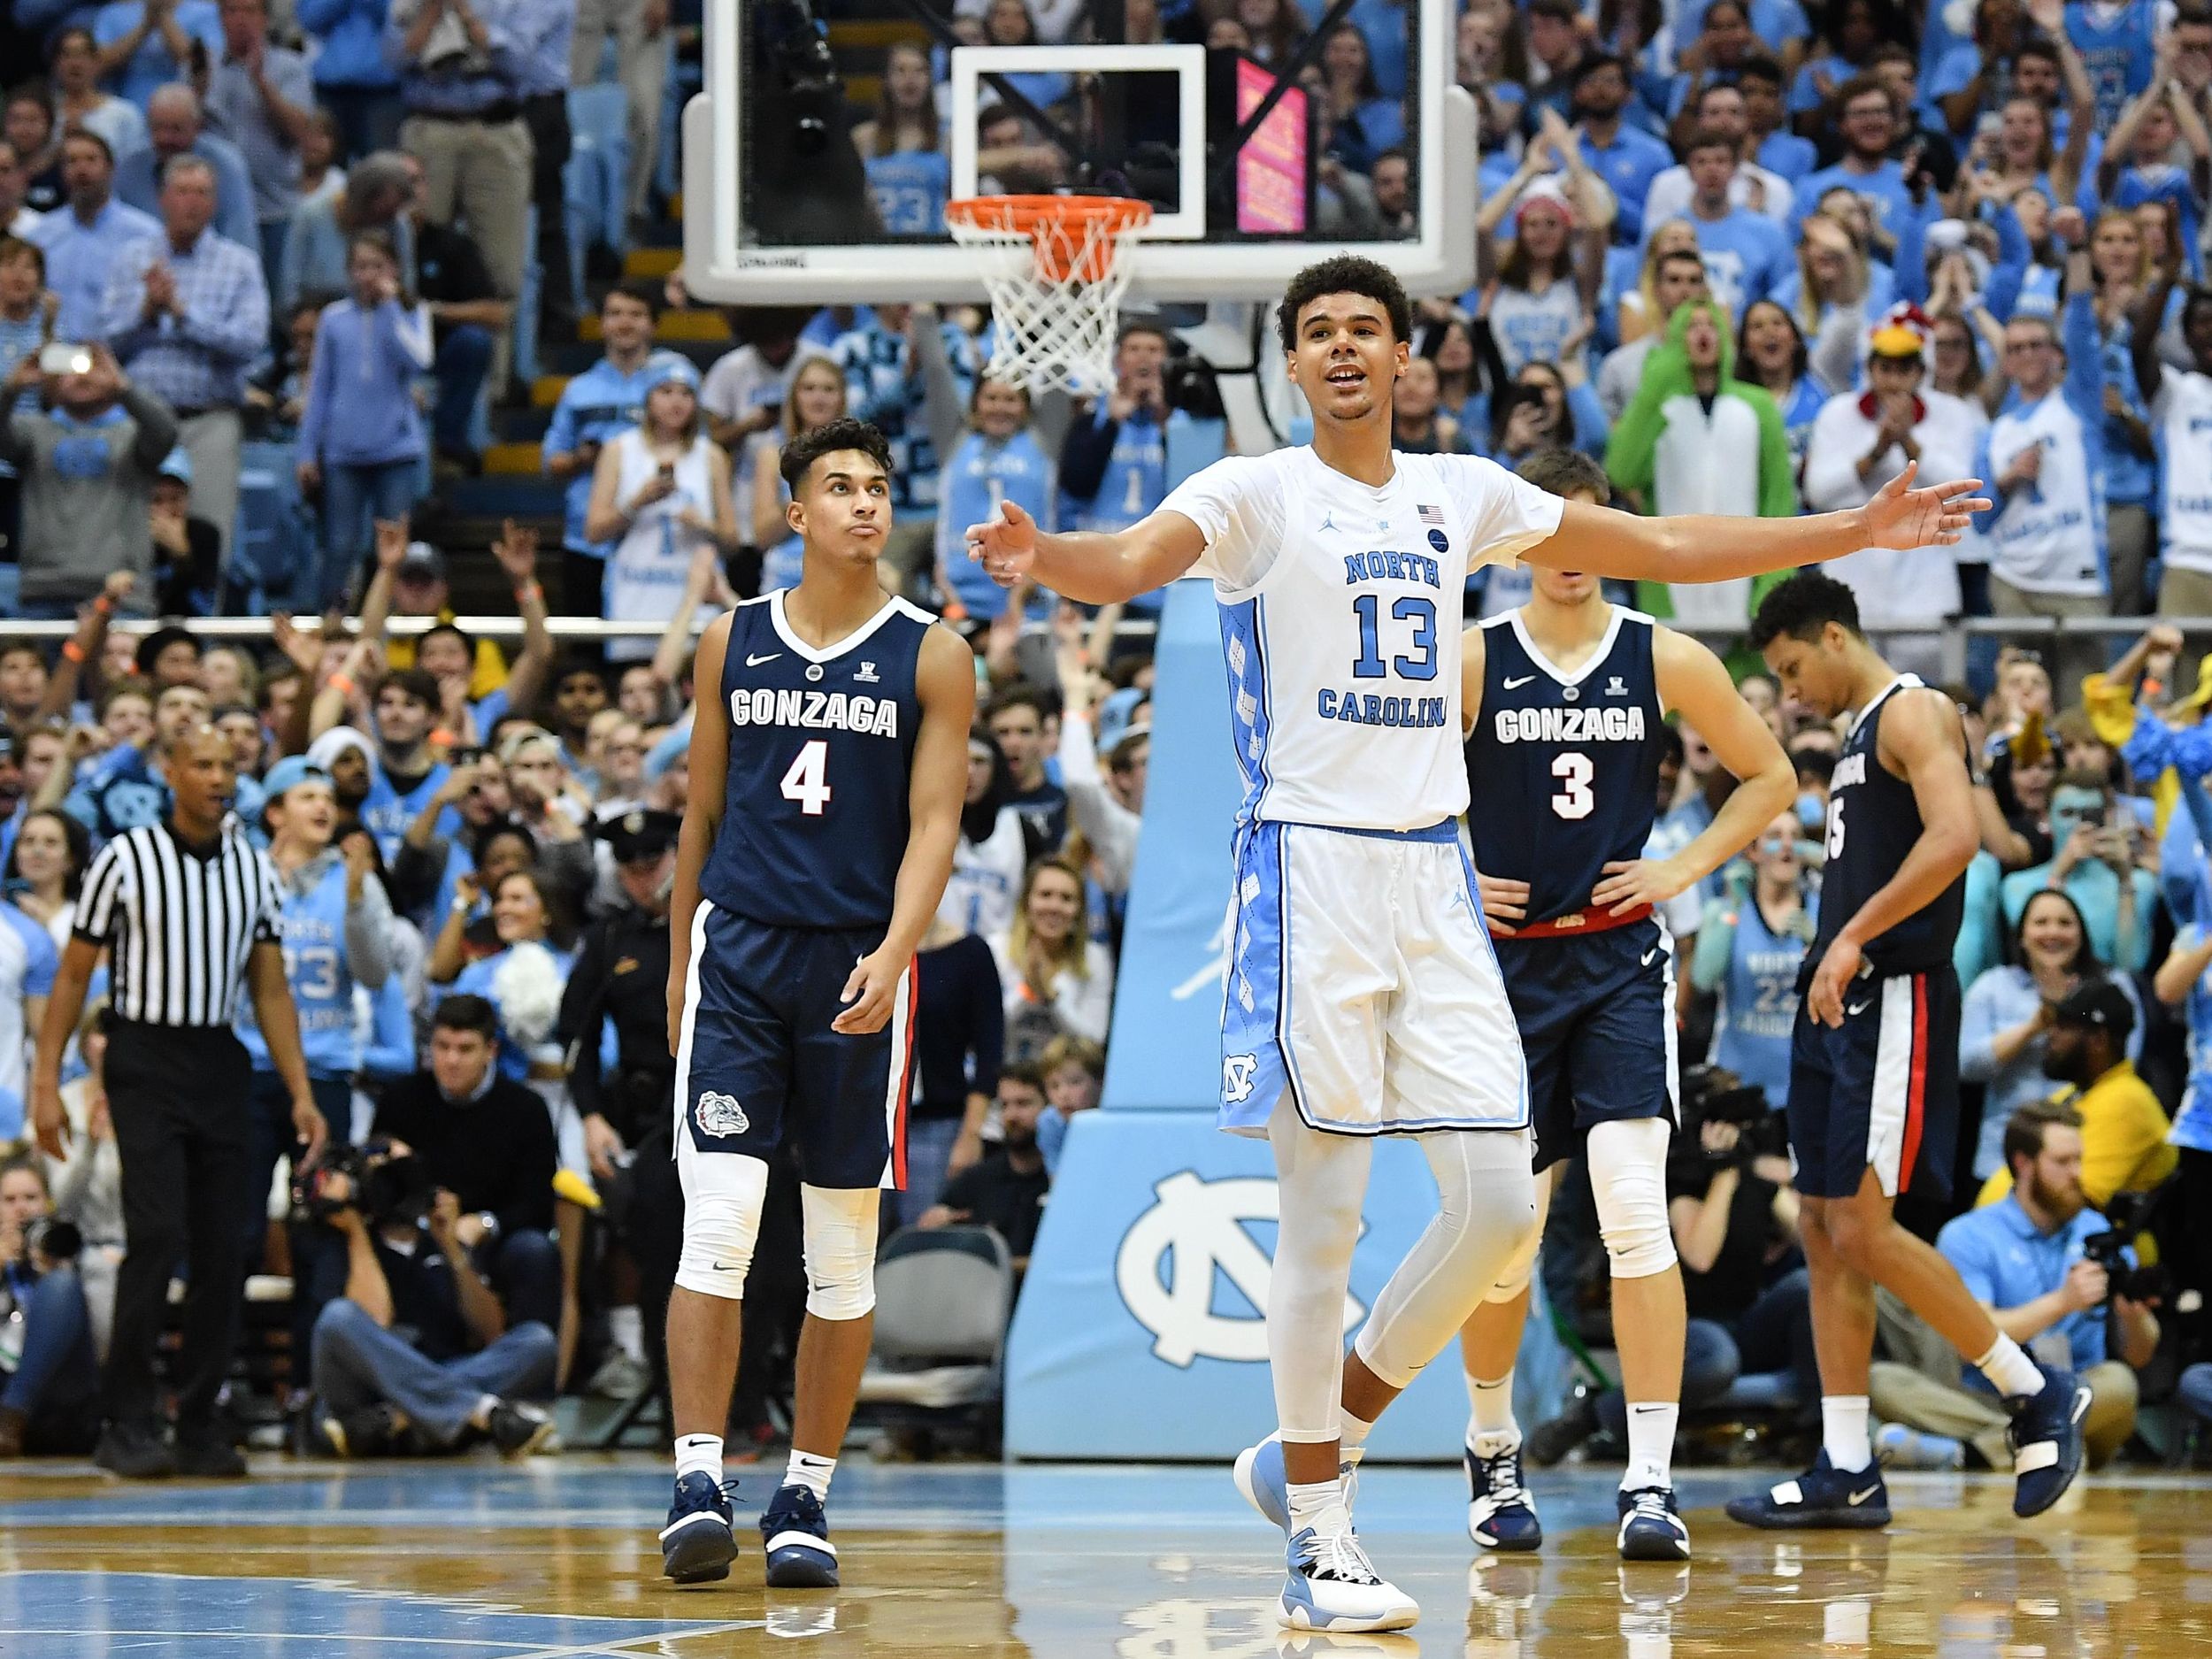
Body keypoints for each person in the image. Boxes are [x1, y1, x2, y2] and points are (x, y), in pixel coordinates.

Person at [965, 252, 1985, 1633]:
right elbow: (1132, 560)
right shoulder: (1254, 491)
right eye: (1315, 331)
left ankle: (1315, 1441)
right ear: (1289, 362)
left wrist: (1851, 530)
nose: (1339, 348)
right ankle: (1321, 1531)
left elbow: (1666, 550)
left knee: (1505, 1208)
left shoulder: (1464, 492)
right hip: (1313, 871)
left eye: (1362, 330)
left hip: (1437, 881)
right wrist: (1050, 560)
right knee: (1324, 1222)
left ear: (1405, 358)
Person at [1454, 449, 1793, 1563]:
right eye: (1551, 533)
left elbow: (1771, 778)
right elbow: (1377, 792)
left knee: (1634, 1212)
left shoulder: (1665, 657)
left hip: (1616, 968)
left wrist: (1680, 869)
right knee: (1507, 1237)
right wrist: (1456, 866)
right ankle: (1491, 1442)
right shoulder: (1466, 663)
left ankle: (1650, 1481)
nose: (1571, 555)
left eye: (1593, 532)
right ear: (1514, 544)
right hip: (1498, 980)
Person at [659, 416, 972, 1589]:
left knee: (841, 1253)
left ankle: (807, 1490)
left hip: (857, 962)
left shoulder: (933, 652)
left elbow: (935, 822)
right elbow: (697, 815)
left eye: (878, 487)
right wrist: (684, 955)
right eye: (839, 486)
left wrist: (898, 950)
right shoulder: (730, 641)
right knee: (723, 1224)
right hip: (740, 956)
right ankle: (699, 1475)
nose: (863, 504)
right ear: (794, 513)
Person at [1730, 571, 2089, 1532]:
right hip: (1839, 998)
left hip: (1892, 992)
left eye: (1793, 668)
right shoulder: (1851, 735)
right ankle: (1846, 1463)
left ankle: (2031, 1391)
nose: (1791, 690)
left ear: (1836, 638)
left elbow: (1957, 835)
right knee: (1817, 1221)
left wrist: (1852, 937)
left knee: (1861, 1225)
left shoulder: (1913, 710)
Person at [28, 722, 326, 1479]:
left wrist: (299, 1091)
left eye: (229, 763)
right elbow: (71, 976)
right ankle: (126, 1418)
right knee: (156, 1232)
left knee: (226, 1245)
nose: (220, 775)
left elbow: (269, 986)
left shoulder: (252, 867)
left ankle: (198, 1418)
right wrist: (46, 1081)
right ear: (170, 772)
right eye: (203, 763)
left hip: (220, 1060)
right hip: (142, 1056)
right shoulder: (125, 858)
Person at [1870, 1099, 2159, 1471]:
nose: (2077, 1174)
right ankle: (2048, 1449)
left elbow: (2139, 1355)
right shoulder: (1968, 1235)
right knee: (1882, 1381)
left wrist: (2134, 1318)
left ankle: (1973, 1453)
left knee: (2119, 1383)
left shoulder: (2100, 1234)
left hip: (2079, 1398)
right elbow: (1968, 1342)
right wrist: (2063, 1302)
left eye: (2079, 1160)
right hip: (1991, 1399)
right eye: (2062, 1162)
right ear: (2023, 1164)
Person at [236, 756, 393, 1271]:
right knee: (238, 1225)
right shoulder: (243, 875)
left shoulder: (355, 881)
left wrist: (355, 901)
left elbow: (374, 973)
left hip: (325, 1073)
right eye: (307, 796)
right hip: (250, 1070)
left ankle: (317, 1352)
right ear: (275, 812)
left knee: (325, 1224)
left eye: (328, 798)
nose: (323, 806)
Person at [305, 1145, 557, 1458]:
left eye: (406, 1172)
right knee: (338, 1317)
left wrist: (451, 1246)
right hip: (364, 1388)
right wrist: (356, 1228)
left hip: (431, 1373)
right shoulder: (342, 1242)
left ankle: (396, 1417)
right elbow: (377, 1319)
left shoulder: (439, 1243)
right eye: (385, 1177)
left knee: (538, 1340)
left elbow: (492, 1330)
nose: (396, 1185)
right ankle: (480, 1412)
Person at [96, 153, 268, 572]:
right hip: (140, 419)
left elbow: (250, 342)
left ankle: (208, 631)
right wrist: (147, 312)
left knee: (211, 531)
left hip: (209, 419)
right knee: (128, 530)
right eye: (183, 192)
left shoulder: (239, 264)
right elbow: (105, 345)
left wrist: (182, 314)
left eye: (203, 193)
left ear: (214, 203)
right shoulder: (131, 259)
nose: (193, 202)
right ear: (162, 199)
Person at [1801, 321, 1987, 681]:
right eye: (1885, 368)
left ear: (1920, 372)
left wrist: (1908, 442)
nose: (1894, 380)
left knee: (1925, 697)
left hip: (1925, 581)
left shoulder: (1951, 413)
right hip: (1852, 577)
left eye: (1905, 369)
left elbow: (1962, 488)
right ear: (1870, 370)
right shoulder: (1838, 414)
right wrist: (1876, 451)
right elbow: (1818, 492)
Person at [369, 995, 562, 1334]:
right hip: (418, 1227)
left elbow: (538, 1202)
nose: (451, 1060)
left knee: (534, 1251)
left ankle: (530, 1362)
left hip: (489, 1234)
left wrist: (486, 1223)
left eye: (465, 1049)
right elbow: (375, 1186)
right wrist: (388, 1162)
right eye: (442, 1047)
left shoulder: (525, 1109)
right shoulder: (402, 1099)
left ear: (491, 1051)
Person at [295, 230, 434, 610]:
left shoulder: (411, 311)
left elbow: (419, 360)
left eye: (378, 266)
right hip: (344, 451)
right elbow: (320, 387)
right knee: (340, 544)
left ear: (394, 269)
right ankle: (333, 620)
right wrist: (308, 450)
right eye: (361, 267)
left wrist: (391, 307)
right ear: (349, 271)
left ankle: (388, 625)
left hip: (396, 449)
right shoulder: (334, 319)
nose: (368, 275)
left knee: (391, 547)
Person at [1962, 888, 2139, 1184]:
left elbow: (2126, 1056)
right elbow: (1967, 1066)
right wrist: (2035, 1026)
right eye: (2041, 922)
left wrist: (2072, 1013)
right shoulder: (1993, 986)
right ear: (2021, 935)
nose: (2053, 932)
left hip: (2085, 1153)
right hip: (2001, 1158)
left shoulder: (2111, 986)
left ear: (2082, 933)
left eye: (2065, 923)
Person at [544, 285, 690, 617]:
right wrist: (582, 458)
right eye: (615, 314)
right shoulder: (579, 390)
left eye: (636, 315)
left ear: (653, 324)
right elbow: (552, 462)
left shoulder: (673, 385)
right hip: (588, 538)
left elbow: (695, 448)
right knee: (586, 651)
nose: (625, 323)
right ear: (601, 324)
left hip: (656, 539)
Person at [0, 345, 174, 623]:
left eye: (95, 369)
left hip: (121, 590)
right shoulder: (33, 432)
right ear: (52, 381)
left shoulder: (132, 435)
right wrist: (9, 390)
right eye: (69, 370)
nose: (82, 377)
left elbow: (166, 432)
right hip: (44, 589)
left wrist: (123, 388)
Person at [584, 357, 739, 657]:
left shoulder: (711, 456)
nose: (676, 402)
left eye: (686, 393)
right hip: (636, 589)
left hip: (694, 594)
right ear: (648, 399)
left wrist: (702, 524)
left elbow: (733, 541)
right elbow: (593, 531)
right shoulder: (619, 450)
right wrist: (638, 502)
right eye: (665, 392)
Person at [384, 0, 534, 306]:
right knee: (419, 254)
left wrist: (467, 15)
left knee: (501, 269)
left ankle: (498, 353)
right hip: (430, 131)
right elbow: (393, 60)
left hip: (496, 132)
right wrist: (432, 10)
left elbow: (522, 65)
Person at [1978, 981, 2173, 1209]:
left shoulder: (2127, 1101)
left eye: (2063, 1027)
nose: (2050, 1035)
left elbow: (2070, 1199)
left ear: (2099, 1040)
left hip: (2076, 1241)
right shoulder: (2075, 1094)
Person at [1694, 810, 1818, 1116]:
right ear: (1753, 850)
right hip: (1737, 1083)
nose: (1787, 846)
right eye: (1775, 837)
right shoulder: (1724, 911)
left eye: (1796, 838)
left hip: (1801, 1082)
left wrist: (1817, 944)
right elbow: (1703, 978)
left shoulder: (1823, 911)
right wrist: (1733, 908)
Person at [203, 0, 318, 280]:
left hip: (275, 208)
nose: (240, 19)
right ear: (220, 18)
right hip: (218, 212)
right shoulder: (202, 69)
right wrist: (197, 93)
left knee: (278, 306)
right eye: (231, 11)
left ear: (265, 19)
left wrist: (262, 85)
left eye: (249, 11)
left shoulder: (291, 68)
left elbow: (301, 132)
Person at [0, 1156, 101, 1457]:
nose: (21, 1208)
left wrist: (54, 1266)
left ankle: (11, 1417)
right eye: (9, 1199)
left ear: (48, 1204)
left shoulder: (70, 1247)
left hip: (59, 1400)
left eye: (31, 1198)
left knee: (62, 1286)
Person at [989, 852, 1113, 1062]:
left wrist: (1053, 1000)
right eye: (1045, 895)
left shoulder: (1095, 959)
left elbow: (1095, 1040)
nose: (1055, 907)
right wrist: (1027, 993)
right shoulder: (997, 950)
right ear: (1026, 903)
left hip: (1063, 1084)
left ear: (1079, 910)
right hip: (1004, 1077)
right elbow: (984, 1031)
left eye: (1067, 898)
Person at [917, 1069, 1050, 1261]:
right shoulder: (977, 1180)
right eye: (1004, 1105)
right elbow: (932, 1226)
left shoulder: (1064, 1177)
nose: (1011, 1115)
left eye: (1023, 1104)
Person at [111, 85, 260, 256]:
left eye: (176, 129)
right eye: (158, 128)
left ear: (198, 127)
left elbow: (242, 240)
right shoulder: (129, 166)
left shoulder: (227, 166)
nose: (165, 138)